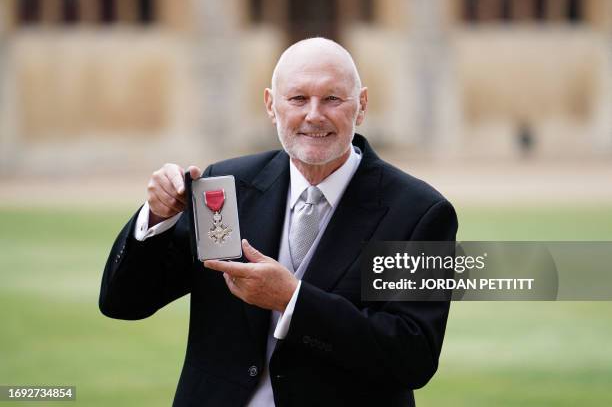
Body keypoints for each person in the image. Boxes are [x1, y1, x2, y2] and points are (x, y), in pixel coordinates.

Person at [99, 37, 458, 406]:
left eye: (332, 99)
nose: (314, 114)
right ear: (271, 105)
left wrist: (293, 300)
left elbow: (413, 356)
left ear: (361, 105)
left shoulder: (418, 212)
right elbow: (123, 302)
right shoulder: (225, 188)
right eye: (298, 99)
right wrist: (156, 218)